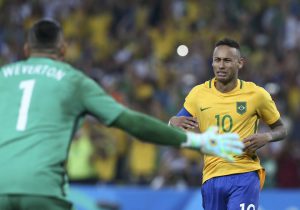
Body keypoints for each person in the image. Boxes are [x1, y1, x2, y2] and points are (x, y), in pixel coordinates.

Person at [0, 20, 244, 210]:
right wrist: (196, 141)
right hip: (42, 191)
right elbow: (129, 121)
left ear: (26, 49)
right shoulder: (72, 80)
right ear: (63, 50)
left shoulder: (3, 75)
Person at [169, 38, 287, 210]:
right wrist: (172, 121)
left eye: (227, 60)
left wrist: (266, 136)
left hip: (244, 174)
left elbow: (281, 129)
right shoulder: (198, 94)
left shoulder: (256, 94)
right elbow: (174, 127)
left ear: (240, 63)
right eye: (217, 60)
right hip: (211, 177)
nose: (221, 66)